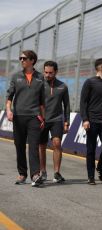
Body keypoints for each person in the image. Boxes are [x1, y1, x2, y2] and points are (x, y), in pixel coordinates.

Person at [6, 50, 45, 187]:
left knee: (34, 145)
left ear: (32, 60)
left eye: (24, 58)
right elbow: (9, 96)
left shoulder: (40, 77)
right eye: (20, 58)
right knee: (19, 146)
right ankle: (22, 173)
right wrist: (8, 110)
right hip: (18, 116)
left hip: (34, 116)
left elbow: (42, 101)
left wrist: (43, 118)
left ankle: (35, 175)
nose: (21, 60)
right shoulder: (16, 76)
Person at [80, 58, 102, 185]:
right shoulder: (89, 82)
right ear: (100, 68)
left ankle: (100, 167)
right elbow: (83, 102)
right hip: (92, 121)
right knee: (91, 149)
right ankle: (90, 176)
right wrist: (85, 119)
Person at [39, 61, 70, 183]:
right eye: (45, 72)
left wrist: (67, 122)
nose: (47, 75)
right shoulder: (39, 85)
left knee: (57, 143)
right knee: (41, 145)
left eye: (50, 73)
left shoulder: (63, 86)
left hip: (56, 119)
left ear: (56, 72)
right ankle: (43, 171)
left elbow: (66, 105)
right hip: (41, 119)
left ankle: (57, 172)